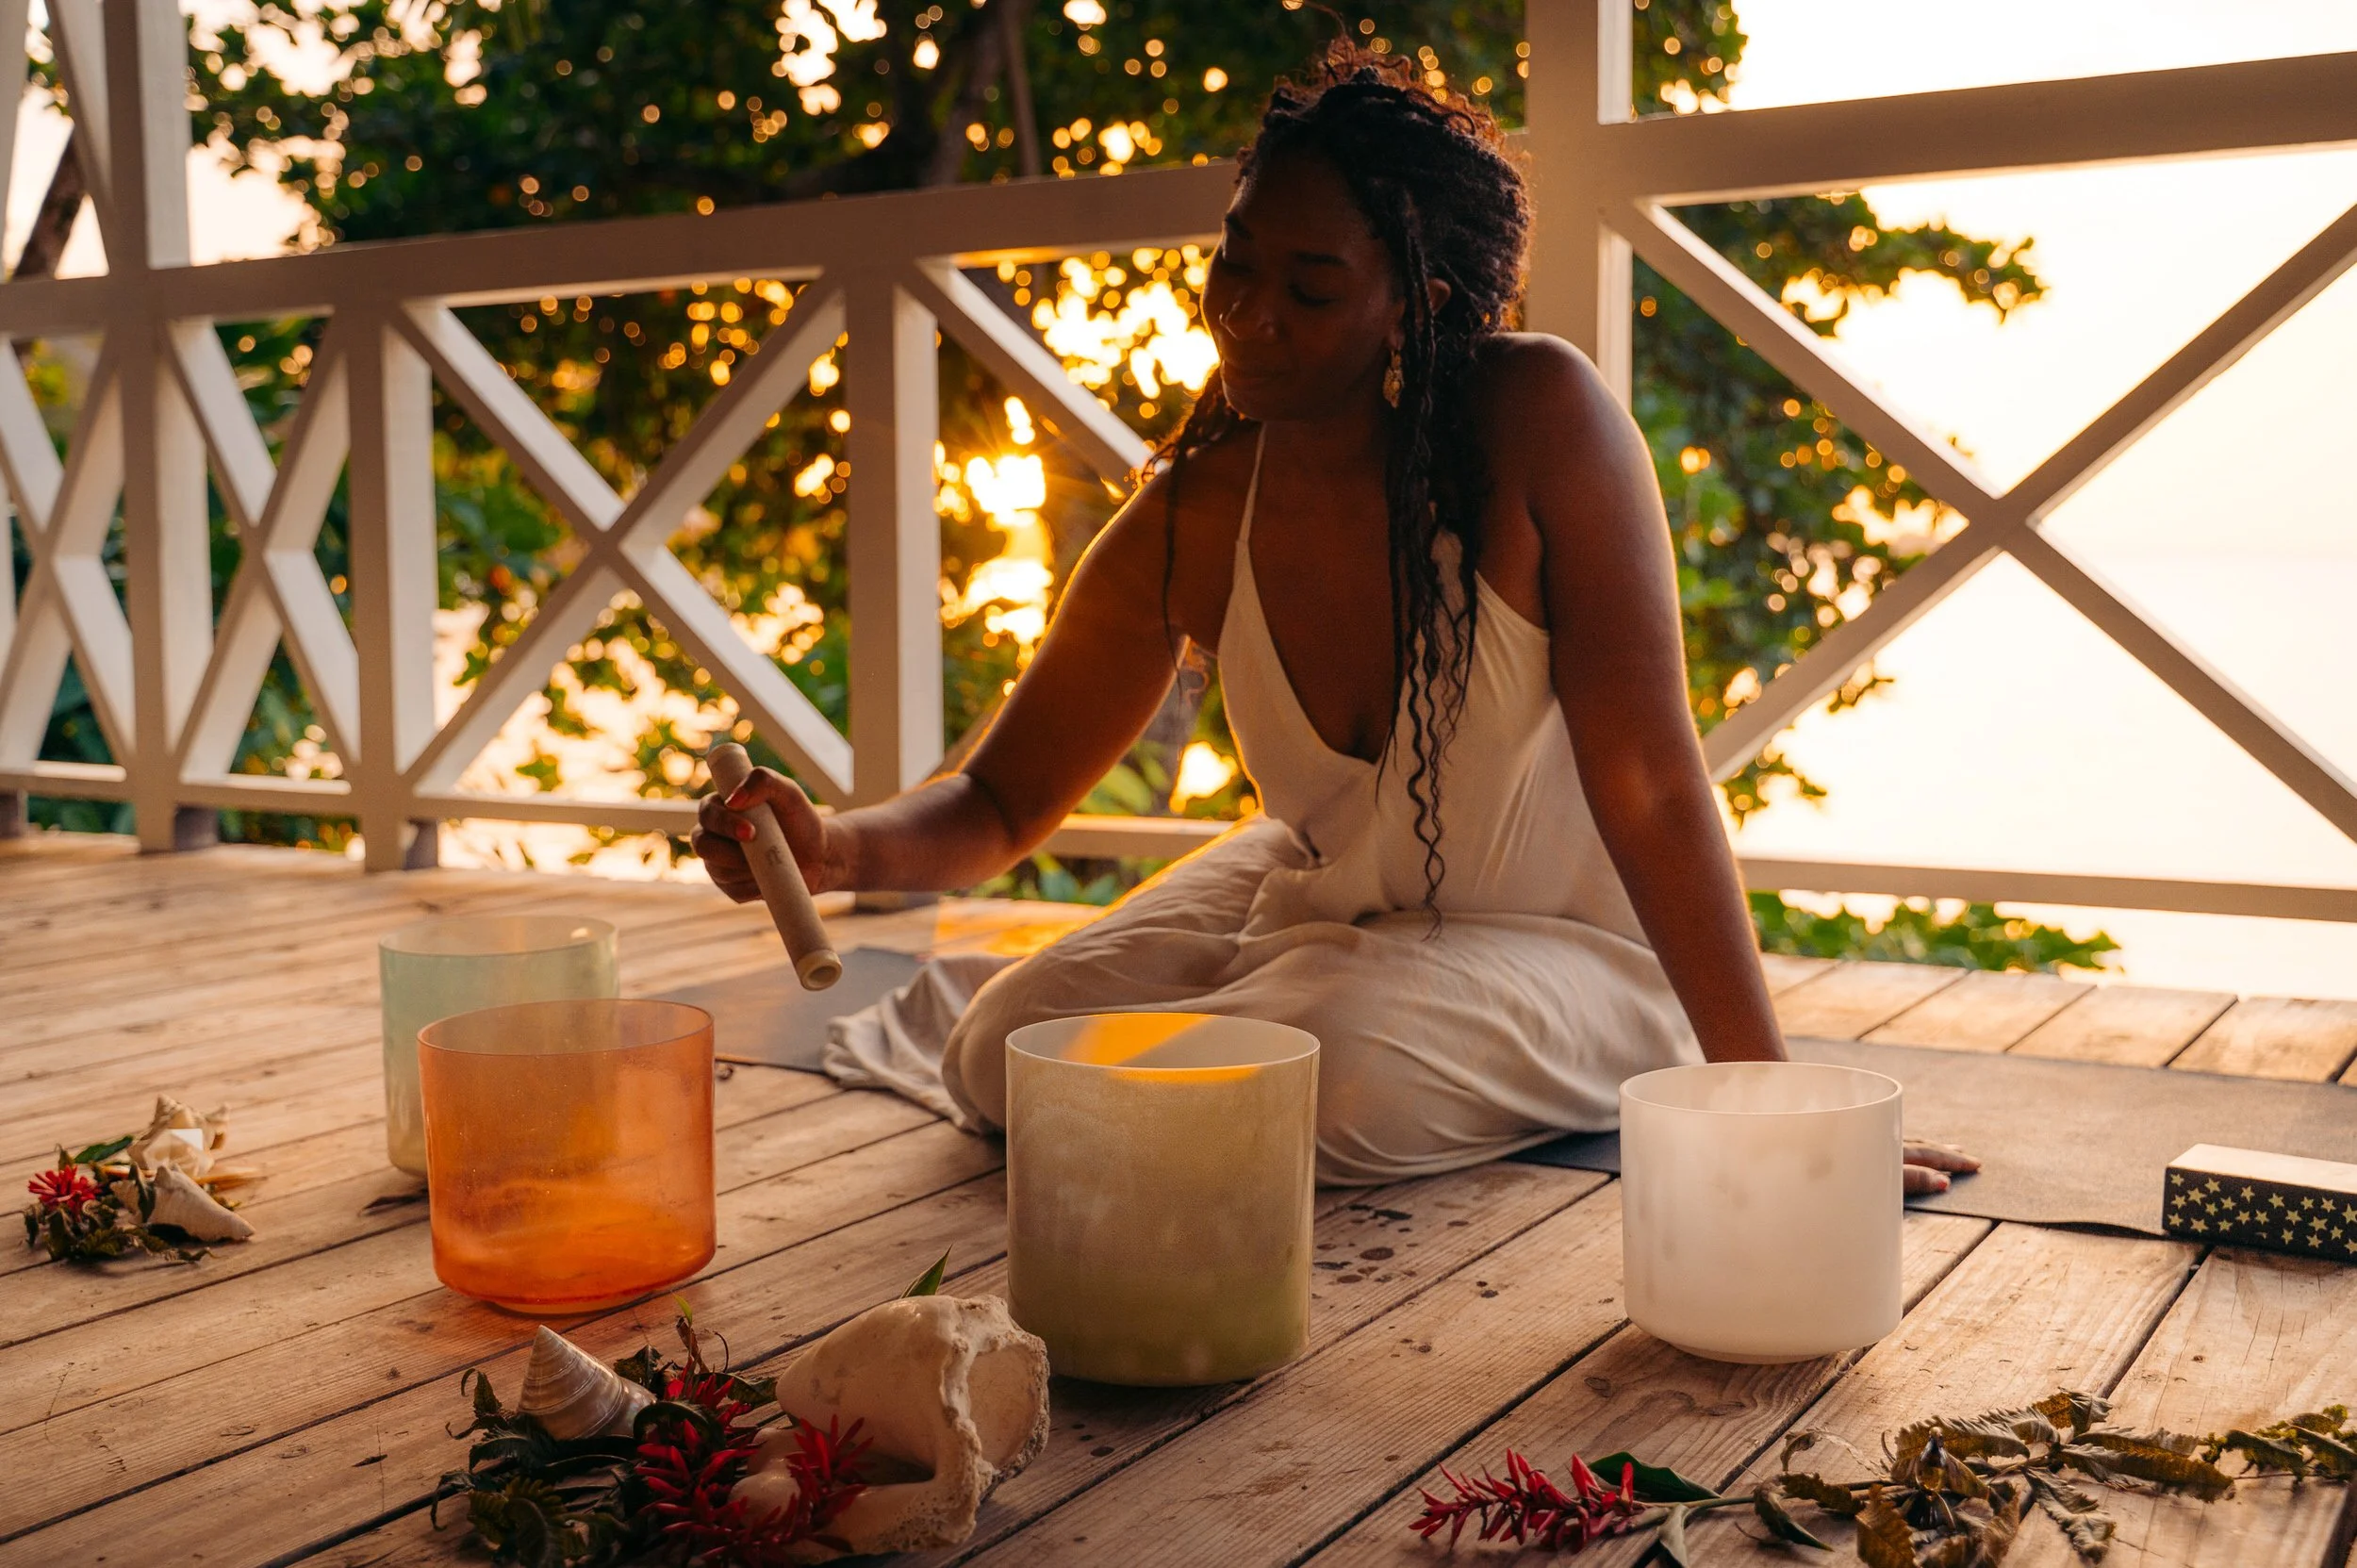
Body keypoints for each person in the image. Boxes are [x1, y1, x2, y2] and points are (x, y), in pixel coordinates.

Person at [697, 44, 1976, 1195]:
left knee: (1330, 1073)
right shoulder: (1197, 512)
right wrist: (831, 853)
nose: (1248, 314)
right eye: (1237, 261)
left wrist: (1772, 1103)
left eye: (1310, 290)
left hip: (1574, 951)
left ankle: (1272, 1024)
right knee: (996, 1051)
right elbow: (999, 800)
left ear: (1417, 299)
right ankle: (1253, 1016)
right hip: (1320, 896)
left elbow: (1649, 782)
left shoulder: (1539, 420)